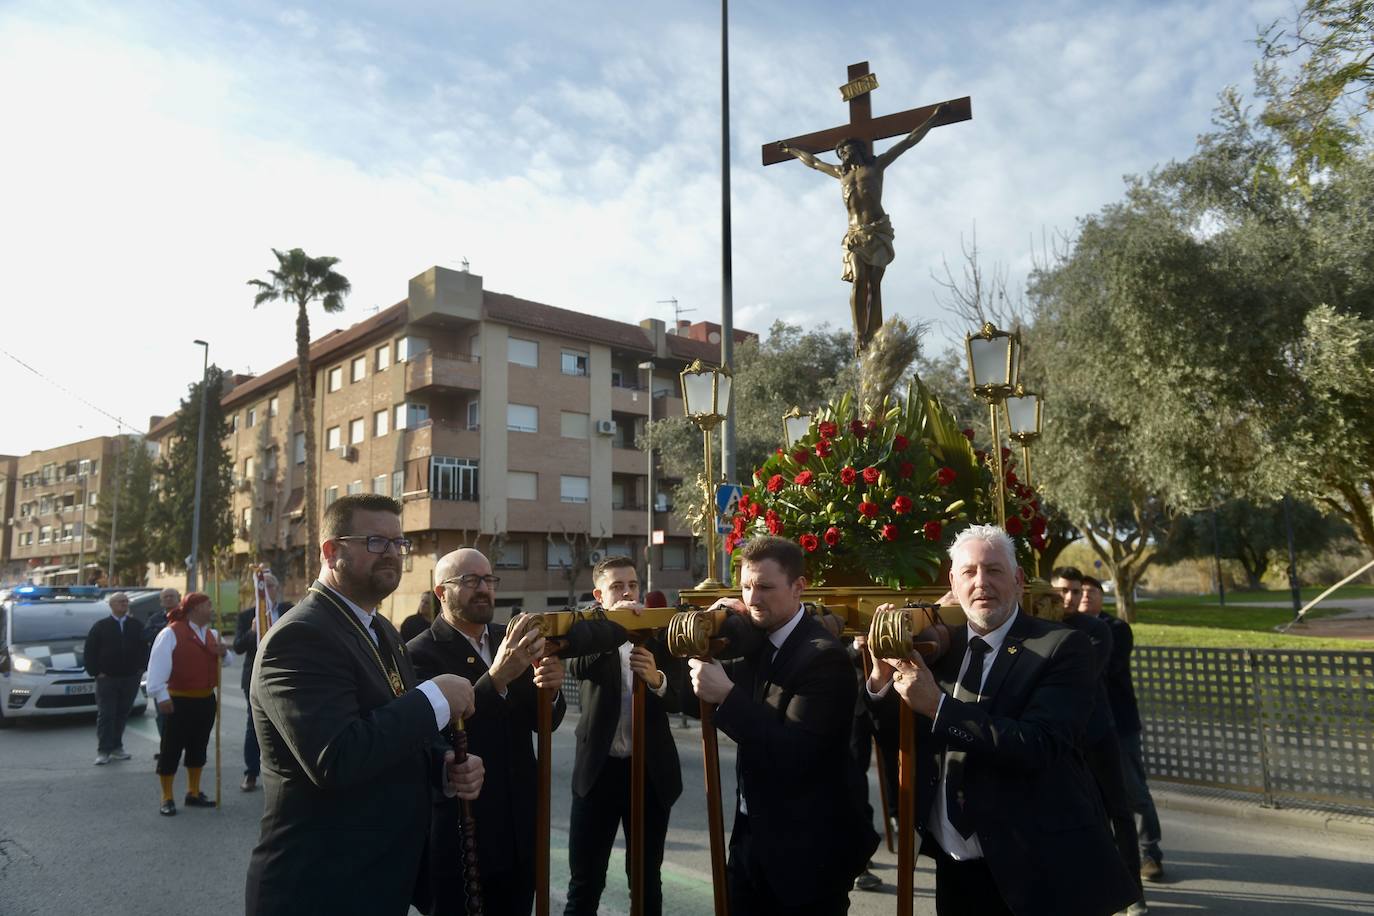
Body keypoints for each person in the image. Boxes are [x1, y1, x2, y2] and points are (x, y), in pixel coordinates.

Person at [866, 526, 1137, 916]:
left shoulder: (1061, 647)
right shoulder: (940, 645)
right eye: (970, 572)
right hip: (954, 865)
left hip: (1036, 870)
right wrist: (879, 679)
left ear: (1018, 579)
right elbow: (902, 737)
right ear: (953, 582)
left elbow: (1040, 744)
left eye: (993, 570)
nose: (981, 583)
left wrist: (938, 707)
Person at [245, 494, 484, 916]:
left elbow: (392, 733)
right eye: (376, 542)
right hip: (319, 888)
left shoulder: (382, 632)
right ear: (331, 551)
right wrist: (434, 698)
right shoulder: (300, 636)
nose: (392, 553)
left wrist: (443, 764)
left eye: (398, 543)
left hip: (378, 880)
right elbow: (337, 756)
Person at [689, 536, 879, 915]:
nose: (753, 598)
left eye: (765, 587)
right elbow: (690, 700)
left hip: (808, 856)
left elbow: (797, 752)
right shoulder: (750, 638)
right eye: (745, 586)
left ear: (798, 588)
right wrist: (703, 637)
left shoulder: (824, 658)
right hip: (750, 845)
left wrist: (727, 696)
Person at [408, 547, 567, 916]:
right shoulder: (419, 653)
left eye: (488, 580)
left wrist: (552, 692)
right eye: (469, 580)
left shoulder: (507, 638)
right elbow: (436, 736)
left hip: (521, 828)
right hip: (465, 831)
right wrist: (497, 678)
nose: (483, 589)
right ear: (441, 593)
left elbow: (542, 722)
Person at [563, 557, 682, 916]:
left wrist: (657, 680)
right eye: (618, 586)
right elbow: (577, 665)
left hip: (648, 773)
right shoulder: (586, 629)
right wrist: (615, 629)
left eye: (632, 585)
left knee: (646, 882)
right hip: (598, 773)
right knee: (585, 883)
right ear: (600, 595)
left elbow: (683, 697)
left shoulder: (659, 633)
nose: (628, 592)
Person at [779, 102, 946, 352]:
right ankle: (859, 334)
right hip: (855, 235)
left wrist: (933, 119)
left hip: (877, 231)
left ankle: (873, 334)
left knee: (874, 286)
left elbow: (909, 141)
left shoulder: (875, 167)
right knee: (859, 278)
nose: (844, 155)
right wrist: (792, 149)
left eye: (847, 151)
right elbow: (813, 163)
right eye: (841, 153)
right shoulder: (840, 174)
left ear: (857, 150)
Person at [1052, 568, 1147, 916]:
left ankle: (1133, 892)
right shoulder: (1040, 627)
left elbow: (1079, 678)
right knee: (1078, 816)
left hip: (1097, 735)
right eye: (1062, 590)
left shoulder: (1097, 630)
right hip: (1062, 740)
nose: (1069, 598)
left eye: (1075, 592)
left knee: (1118, 812)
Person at [1081, 574, 1166, 884]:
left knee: (1133, 791)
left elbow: (1102, 669)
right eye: (1081, 592)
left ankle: (1150, 852)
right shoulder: (1068, 628)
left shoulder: (1114, 629)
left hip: (1120, 725)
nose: (1085, 597)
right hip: (1090, 729)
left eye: (1091, 592)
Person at [145, 592, 230, 816]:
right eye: (207, 605)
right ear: (193, 609)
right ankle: (167, 796)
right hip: (178, 699)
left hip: (205, 699)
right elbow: (157, 667)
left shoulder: (212, 633)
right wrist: (161, 695)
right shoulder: (171, 633)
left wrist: (224, 652)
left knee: (198, 745)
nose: (211, 609)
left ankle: (193, 792)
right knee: (171, 748)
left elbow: (227, 662)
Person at [231, 571, 291, 792]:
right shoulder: (247, 615)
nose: (267, 590)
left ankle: (285, 773)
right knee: (254, 726)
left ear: (277, 588)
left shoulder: (289, 610)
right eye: (262, 586)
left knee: (286, 724)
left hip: (285, 675)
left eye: (271, 585)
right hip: (254, 678)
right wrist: (251, 632)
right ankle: (251, 772)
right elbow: (238, 647)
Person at [83, 591, 146, 765]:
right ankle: (104, 750)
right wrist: (96, 672)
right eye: (120, 602)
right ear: (111, 605)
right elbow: (90, 651)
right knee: (106, 714)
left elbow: (144, 648)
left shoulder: (136, 625)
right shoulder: (101, 626)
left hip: (130, 678)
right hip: (107, 678)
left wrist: (141, 668)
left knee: (122, 713)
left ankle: (117, 747)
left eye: (126, 602)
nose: (123, 604)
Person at [145, 587, 179, 742]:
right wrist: (165, 631)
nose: (169, 599)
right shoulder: (155, 619)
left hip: (181, 672)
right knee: (163, 714)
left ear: (179, 598)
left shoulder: (186, 617)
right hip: (162, 673)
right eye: (165, 597)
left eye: (172, 596)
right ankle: (164, 745)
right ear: (160, 601)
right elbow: (146, 635)